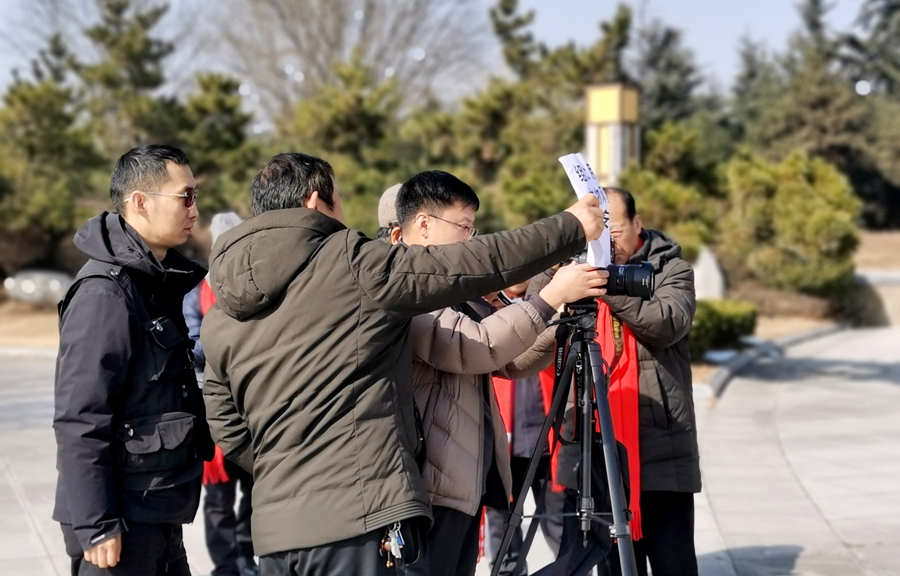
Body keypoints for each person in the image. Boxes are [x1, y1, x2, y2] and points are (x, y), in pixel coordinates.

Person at [200, 154, 606, 576]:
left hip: (277, 529)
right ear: (315, 202)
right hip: (358, 513)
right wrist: (570, 228)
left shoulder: (224, 307)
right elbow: (479, 269)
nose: (343, 216)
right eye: (339, 202)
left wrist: (284, 467)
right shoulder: (352, 265)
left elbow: (225, 423)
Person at [389, 172, 608, 576]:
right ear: (423, 224)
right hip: (428, 489)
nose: (471, 240)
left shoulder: (452, 290)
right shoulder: (403, 287)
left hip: (462, 483)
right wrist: (550, 298)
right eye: (464, 227)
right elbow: (477, 346)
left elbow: (511, 360)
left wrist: (558, 320)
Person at [53, 145, 212, 575]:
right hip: (121, 523)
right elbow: (80, 417)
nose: (194, 210)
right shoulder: (104, 294)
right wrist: (98, 524)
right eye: (185, 197)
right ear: (140, 202)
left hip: (155, 510)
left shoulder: (153, 283)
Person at [536, 187, 699, 576]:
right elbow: (534, 307)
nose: (605, 243)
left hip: (658, 447)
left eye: (615, 233)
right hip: (592, 444)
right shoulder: (570, 272)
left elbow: (665, 323)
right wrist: (563, 261)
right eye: (596, 234)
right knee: (609, 565)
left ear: (637, 224)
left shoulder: (670, 269)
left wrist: (603, 282)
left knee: (674, 563)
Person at [182, 212, 257, 576]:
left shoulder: (255, 286)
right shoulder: (197, 291)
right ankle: (225, 566)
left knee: (255, 487)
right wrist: (228, 344)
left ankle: (245, 553)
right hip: (211, 404)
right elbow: (191, 346)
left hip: (250, 402)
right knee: (219, 495)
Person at [488, 281, 567, 576]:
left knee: (558, 519)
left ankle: (570, 570)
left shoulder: (549, 298)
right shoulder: (487, 305)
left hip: (546, 437)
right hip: (504, 437)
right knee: (502, 521)